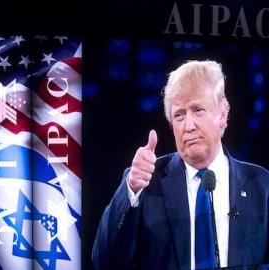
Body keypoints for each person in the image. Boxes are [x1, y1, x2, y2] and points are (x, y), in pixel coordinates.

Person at [92, 60, 269, 269]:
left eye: (198, 110)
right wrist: (131, 189)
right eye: (179, 115)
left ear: (222, 114)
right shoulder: (146, 183)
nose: (189, 126)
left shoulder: (261, 185)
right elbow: (103, 260)